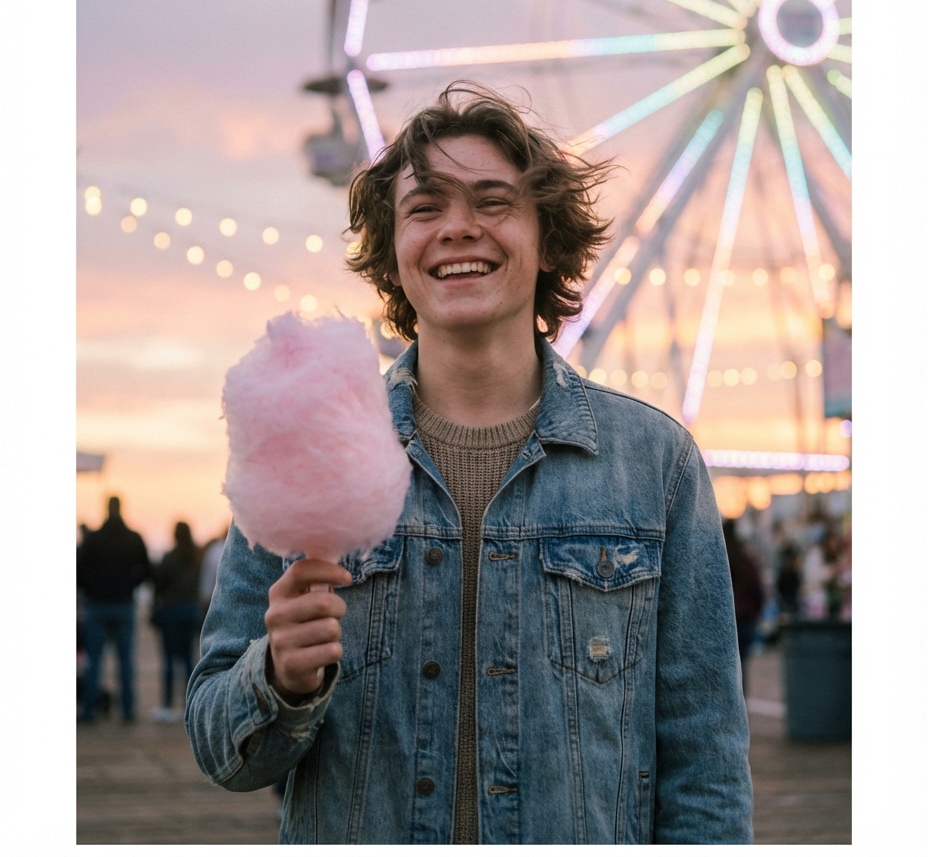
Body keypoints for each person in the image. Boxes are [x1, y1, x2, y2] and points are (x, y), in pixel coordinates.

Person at [187, 83, 753, 844]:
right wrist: (280, 678)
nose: (459, 228)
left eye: (492, 202)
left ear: (548, 238)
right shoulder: (307, 446)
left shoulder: (655, 465)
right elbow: (220, 750)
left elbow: (705, 759)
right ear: (392, 252)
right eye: (425, 209)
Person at [77, 495, 150, 724]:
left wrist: (91, 588)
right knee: (126, 661)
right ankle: (127, 711)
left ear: (106, 509)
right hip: (123, 603)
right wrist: (129, 585)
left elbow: (78, 570)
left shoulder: (94, 539)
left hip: (98, 605)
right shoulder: (133, 538)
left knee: (94, 662)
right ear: (122, 508)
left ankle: (89, 711)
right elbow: (146, 570)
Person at [150, 521, 203, 722]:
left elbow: (158, 583)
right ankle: (190, 702)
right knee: (190, 658)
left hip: (171, 610)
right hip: (191, 610)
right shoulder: (196, 557)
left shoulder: (170, 557)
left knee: (169, 659)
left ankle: (167, 705)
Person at [722, 517, 765, 694]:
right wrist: (755, 612)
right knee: (742, 664)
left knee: (725, 667)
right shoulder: (746, 560)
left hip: (725, 619)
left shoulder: (718, 559)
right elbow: (758, 590)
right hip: (745, 619)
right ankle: (741, 703)